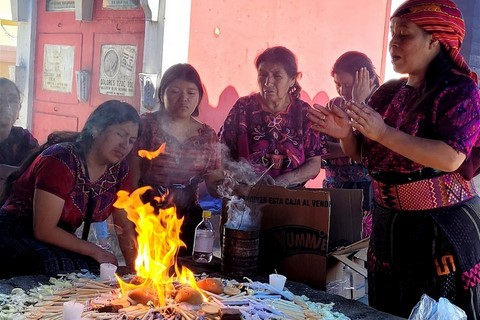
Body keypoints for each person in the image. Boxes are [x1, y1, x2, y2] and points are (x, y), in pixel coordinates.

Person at [308, 0, 480, 317]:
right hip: (389, 225)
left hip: (439, 230)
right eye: (392, 34)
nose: (393, 44)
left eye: (404, 35)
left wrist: (384, 132)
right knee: (386, 309)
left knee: (436, 311)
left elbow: (451, 156)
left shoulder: (459, 89)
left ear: (435, 40)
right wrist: (346, 132)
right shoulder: (388, 92)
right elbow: (362, 153)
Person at [0, 100, 140, 278]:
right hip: (15, 235)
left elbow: (125, 226)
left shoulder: (119, 171)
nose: (125, 144)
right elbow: (44, 229)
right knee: (63, 268)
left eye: (131, 140)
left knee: (93, 268)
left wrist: (136, 272)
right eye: (120, 134)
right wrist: (95, 250)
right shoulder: (61, 159)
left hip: (56, 241)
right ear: (96, 129)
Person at [127, 63, 221, 255]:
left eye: (191, 93)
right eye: (175, 91)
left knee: (184, 276)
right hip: (150, 213)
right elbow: (131, 177)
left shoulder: (207, 135)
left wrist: (234, 186)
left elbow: (214, 182)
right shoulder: (145, 126)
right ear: (162, 94)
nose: (183, 99)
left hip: (188, 216)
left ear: (199, 97)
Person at [220, 46, 327, 188]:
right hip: (247, 193)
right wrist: (248, 177)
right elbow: (221, 153)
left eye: (277, 76)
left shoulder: (303, 113)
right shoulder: (243, 108)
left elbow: (314, 163)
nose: (267, 83)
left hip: (291, 196)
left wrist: (284, 181)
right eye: (263, 75)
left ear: (292, 80)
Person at [322, 52, 380, 239]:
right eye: (337, 85)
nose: (342, 91)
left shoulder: (382, 105)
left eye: (347, 85)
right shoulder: (335, 105)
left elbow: (374, 151)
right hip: (334, 184)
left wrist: (358, 103)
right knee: (333, 242)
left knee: (361, 245)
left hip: (368, 189)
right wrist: (351, 146)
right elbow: (320, 149)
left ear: (367, 78)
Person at [0, 78, 39, 191]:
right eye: (0, 99)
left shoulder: (25, 139)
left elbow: (37, 172)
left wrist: (3, 171)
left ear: (19, 109)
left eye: (12, 100)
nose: (6, 105)